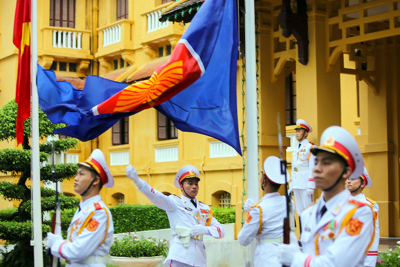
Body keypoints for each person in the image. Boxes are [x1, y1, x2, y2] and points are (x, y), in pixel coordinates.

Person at [279, 126, 375, 267]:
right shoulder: (308, 213)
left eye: (327, 163)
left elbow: (336, 263)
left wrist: (295, 259)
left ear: (346, 172)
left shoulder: (358, 213)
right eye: (316, 162)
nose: (317, 168)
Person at [126, 164, 225, 267]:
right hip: (180, 257)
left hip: (199, 259)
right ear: (181, 187)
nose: (194, 186)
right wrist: (138, 181)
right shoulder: (174, 202)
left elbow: (221, 231)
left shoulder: (205, 208)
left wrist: (206, 230)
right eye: (190, 183)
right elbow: (155, 195)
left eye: (196, 184)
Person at [47, 149, 114, 266]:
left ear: (96, 180)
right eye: (77, 173)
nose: (76, 178)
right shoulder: (84, 209)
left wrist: (57, 244)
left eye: (81, 174)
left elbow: (78, 251)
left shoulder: (98, 212)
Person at [238, 156, 293, 267]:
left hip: (267, 259)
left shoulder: (258, 209)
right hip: (288, 256)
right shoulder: (289, 202)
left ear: (264, 183)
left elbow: (243, 240)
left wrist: (250, 212)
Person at [347, 167, 380, 267]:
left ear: (362, 184)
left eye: (353, 179)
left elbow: (373, 233)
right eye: (348, 178)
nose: (349, 181)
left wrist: (370, 258)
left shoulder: (369, 205)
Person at [290, 119, 317, 216]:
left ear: (305, 133)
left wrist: (311, 185)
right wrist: (291, 184)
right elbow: (294, 167)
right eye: (296, 131)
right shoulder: (296, 148)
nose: (296, 134)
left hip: (306, 183)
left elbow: (313, 166)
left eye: (299, 131)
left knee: (308, 211)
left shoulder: (310, 147)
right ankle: (302, 232)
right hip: (297, 183)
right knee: (300, 212)